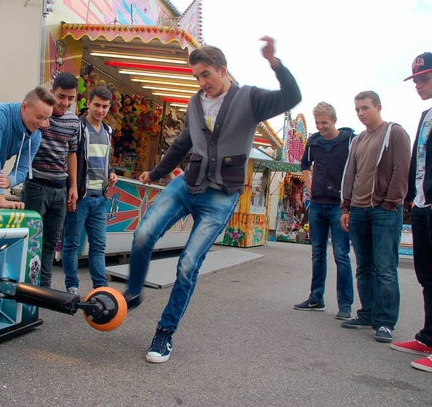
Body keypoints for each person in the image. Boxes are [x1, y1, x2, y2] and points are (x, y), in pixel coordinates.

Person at [126, 37, 302, 363]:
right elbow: (182, 143)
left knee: (188, 265)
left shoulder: (249, 98)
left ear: (223, 70)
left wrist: (274, 63)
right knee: (143, 234)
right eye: (197, 77)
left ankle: (164, 333)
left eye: (206, 75)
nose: (202, 83)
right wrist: (155, 172)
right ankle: (133, 292)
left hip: (221, 195)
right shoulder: (195, 103)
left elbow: (292, 96)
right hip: (188, 184)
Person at [392, 53, 432, 373]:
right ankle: (430, 337)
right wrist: (412, 199)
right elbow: (421, 160)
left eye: (424, 79)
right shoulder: (427, 114)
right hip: (422, 204)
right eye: (415, 80)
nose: (418, 85)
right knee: (428, 276)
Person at [339, 91, 411, 343]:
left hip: (384, 210)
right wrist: (346, 207)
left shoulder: (395, 133)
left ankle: (385, 322)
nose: (361, 113)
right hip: (358, 209)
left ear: (378, 107)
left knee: (385, 268)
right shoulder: (358, 140)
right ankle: (367, 313)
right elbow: (351, 173)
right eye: (357, 109)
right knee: (364, 267)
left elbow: (402, 169)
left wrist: (391, 203)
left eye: (365, 108)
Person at [294, 102, 354, 320]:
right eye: (318, 123)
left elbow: (355, 167)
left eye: (325, 123)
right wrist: (309, 183)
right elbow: (304, 164)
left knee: (341, 253)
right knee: (317, 252)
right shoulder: (313, 141)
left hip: (339, 204)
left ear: (334, 121)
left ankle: (345, 304)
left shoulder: (349, 141)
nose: (321, 127)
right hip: (318, 203)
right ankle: (316, 298)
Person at [21, 73, 80, 288]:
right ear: (52, 91)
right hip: (36, 185)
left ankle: (43, 288)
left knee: (50, 243)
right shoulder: (39, 114)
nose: (65, 103)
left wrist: (72, 186)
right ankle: (27, 285)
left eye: (70, 98)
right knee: (31, 240)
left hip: (60, 189)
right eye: (61, 96)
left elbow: (71, 153)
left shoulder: (74, 121)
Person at [61, 86, 117, 297]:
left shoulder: (108, 131)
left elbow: (104, 160)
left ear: (109, 107)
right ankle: (71, 286)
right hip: (81, 197)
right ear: (88, 103)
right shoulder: (78, 127)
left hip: (100, 199)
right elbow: (71, 158)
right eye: (97, 105)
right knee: (71, 244)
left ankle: (100, 287)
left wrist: (111, 172)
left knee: (99, 246)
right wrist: (72, 189)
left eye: (104, 106)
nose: (100, 110)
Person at [0, 86, 55, 209]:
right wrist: (0, 198)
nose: (42, 123)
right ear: (24, 107)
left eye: (46, 118)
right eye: (39, 117)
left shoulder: (36, 135)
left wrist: (9, 181)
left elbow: (22, 169)